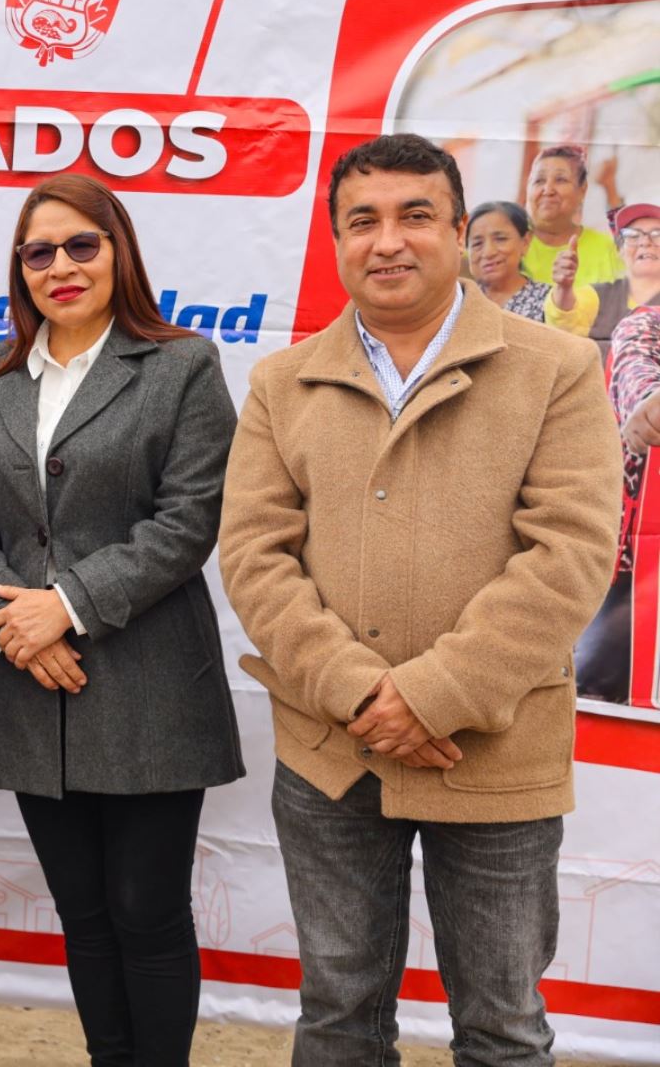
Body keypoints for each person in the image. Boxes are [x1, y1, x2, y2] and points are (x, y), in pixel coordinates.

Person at [219, 133, 622, 1066]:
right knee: (338, 1021)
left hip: (494, 751)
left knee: (502, 1030)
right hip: (332, 753)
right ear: (335, 241)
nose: (388, 241)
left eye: (415, 217)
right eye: (363, 221)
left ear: (460, 232)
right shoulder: (283, 383)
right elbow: (254, 555)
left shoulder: (554, 369)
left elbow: (569, 555)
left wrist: (430, 696)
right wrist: (361, 695)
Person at [0, 174, 243, 1066]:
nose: (60, 265)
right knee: (85, 914)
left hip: (148, 686)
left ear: (119, 251)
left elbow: (189, 520)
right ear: (19, 269)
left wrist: (66, 607)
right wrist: (12, 619)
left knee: (147, 913)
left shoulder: (182, 365)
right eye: (39, 252)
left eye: (81, 245)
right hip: (32, 684)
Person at [575, 201, 660, 706]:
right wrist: (649, 405)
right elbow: (640, 396)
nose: (647, 244)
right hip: (638, 564)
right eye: (637, 236)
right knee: (599, 698)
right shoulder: (641, 326)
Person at [465, 200, 594, 336]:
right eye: (477, 243)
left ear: (525, 242)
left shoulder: (546, 301)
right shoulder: (458, 303)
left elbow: (566, 333)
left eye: (501, 239)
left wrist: (564, 289)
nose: (488, 252)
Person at [522, 144, 623, 287]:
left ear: (582, 190)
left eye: (560, 179)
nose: (548, 190)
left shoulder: (606, 249)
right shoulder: (507, 244)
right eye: (539, 180)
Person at [581, 200, 660, 358]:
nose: (645, 242)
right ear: (619, 250)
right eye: (632, 235)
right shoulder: (593, 296)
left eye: (657, 234)